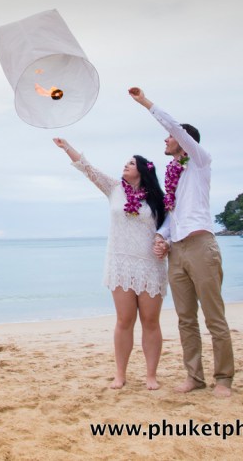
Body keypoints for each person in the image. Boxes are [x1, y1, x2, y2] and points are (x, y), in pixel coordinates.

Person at [128, 86, 235, 398]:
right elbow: (173, 216)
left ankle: (224, 379)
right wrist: (161, 237)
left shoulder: (200, 161)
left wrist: (145, 103)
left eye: (170, 137)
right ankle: (194, 377)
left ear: (184, 140)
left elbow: (173, 126)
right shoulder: (173, 173)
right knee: (186, 319)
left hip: (201, 246)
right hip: (177, 251)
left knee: (214, 317)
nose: (166, 140)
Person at [53, 137, 168, 390]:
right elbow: (88, 169)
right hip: (120, 263)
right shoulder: (114, 189)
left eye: (131, 163)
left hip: (150, 264)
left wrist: (164, 244)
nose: (126, 165)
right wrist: (67, 147)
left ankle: (151, 375)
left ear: (143, 170)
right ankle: (120, 374)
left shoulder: (158, 198)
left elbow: (168, 229)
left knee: (150, 322)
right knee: (124, 320)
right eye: (126, 162)